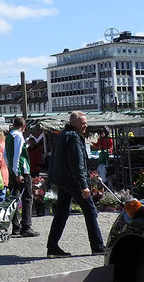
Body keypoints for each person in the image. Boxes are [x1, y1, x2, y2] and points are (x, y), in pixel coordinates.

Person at [46, 111, 105, 258]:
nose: (86, 125)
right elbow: (77, 163)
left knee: (62, 213)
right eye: (83, 123)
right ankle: (97, 246)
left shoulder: (63, 135)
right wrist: (83, 185)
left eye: (85, 122)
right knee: (90, 211)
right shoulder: (73, 137)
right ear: (74, 123)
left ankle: (52, 247)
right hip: (73, 181)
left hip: (63, 181)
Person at [6, 117, 39, 237]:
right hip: (22, 171)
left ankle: (16, 226)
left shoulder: (9, 136)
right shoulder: (19, 136)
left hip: (12, 170)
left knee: (14, 198)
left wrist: (10, 169)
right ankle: (26, 226)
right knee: (27, 198)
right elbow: (17, 155)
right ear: (24, 126)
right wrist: (17, 173)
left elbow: (6, 155)